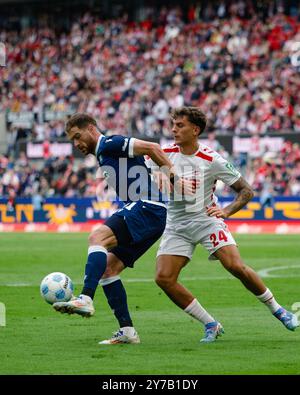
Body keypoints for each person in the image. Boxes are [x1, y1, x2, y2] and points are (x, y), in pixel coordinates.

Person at [153, 106, 299, 343]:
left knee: (235, 266)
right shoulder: (163, 153)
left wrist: (227, 211)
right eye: (173, 124)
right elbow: (160, 180)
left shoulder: (212, 159)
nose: (173, 129)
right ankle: (211, 324)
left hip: (206, 221)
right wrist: (165, 178)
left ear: (195, 130)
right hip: (176, 224)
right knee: (163, 278)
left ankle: (278, 310)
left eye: (180, 125)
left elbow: (246, 191)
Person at [53, 113, 193, 345]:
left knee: (97, 237)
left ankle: (86, 298)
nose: (76, 144)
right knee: (108, 270)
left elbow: (152, 147)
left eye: (77, 136)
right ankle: (127, 331)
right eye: (72, 141)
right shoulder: (103, 153)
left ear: (90, 129)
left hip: (148, 207)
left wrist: (174, 178)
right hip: (150, 214)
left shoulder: (109, 143)